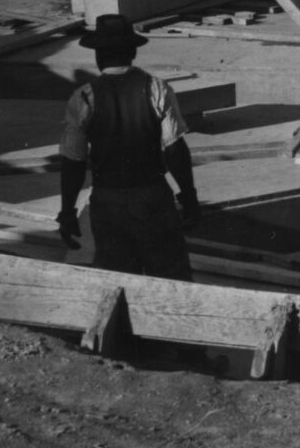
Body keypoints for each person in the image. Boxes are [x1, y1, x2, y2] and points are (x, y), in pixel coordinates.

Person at [56, 14, 199, 278]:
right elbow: (175, 149)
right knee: (170, 279)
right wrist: (188, 197)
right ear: (133, 52)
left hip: (108, 201)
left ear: (98, 56)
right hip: (152, 197)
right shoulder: (157, 89)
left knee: (119, 279)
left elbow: (73, 161)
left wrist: (67, 211)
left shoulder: (83, 98)